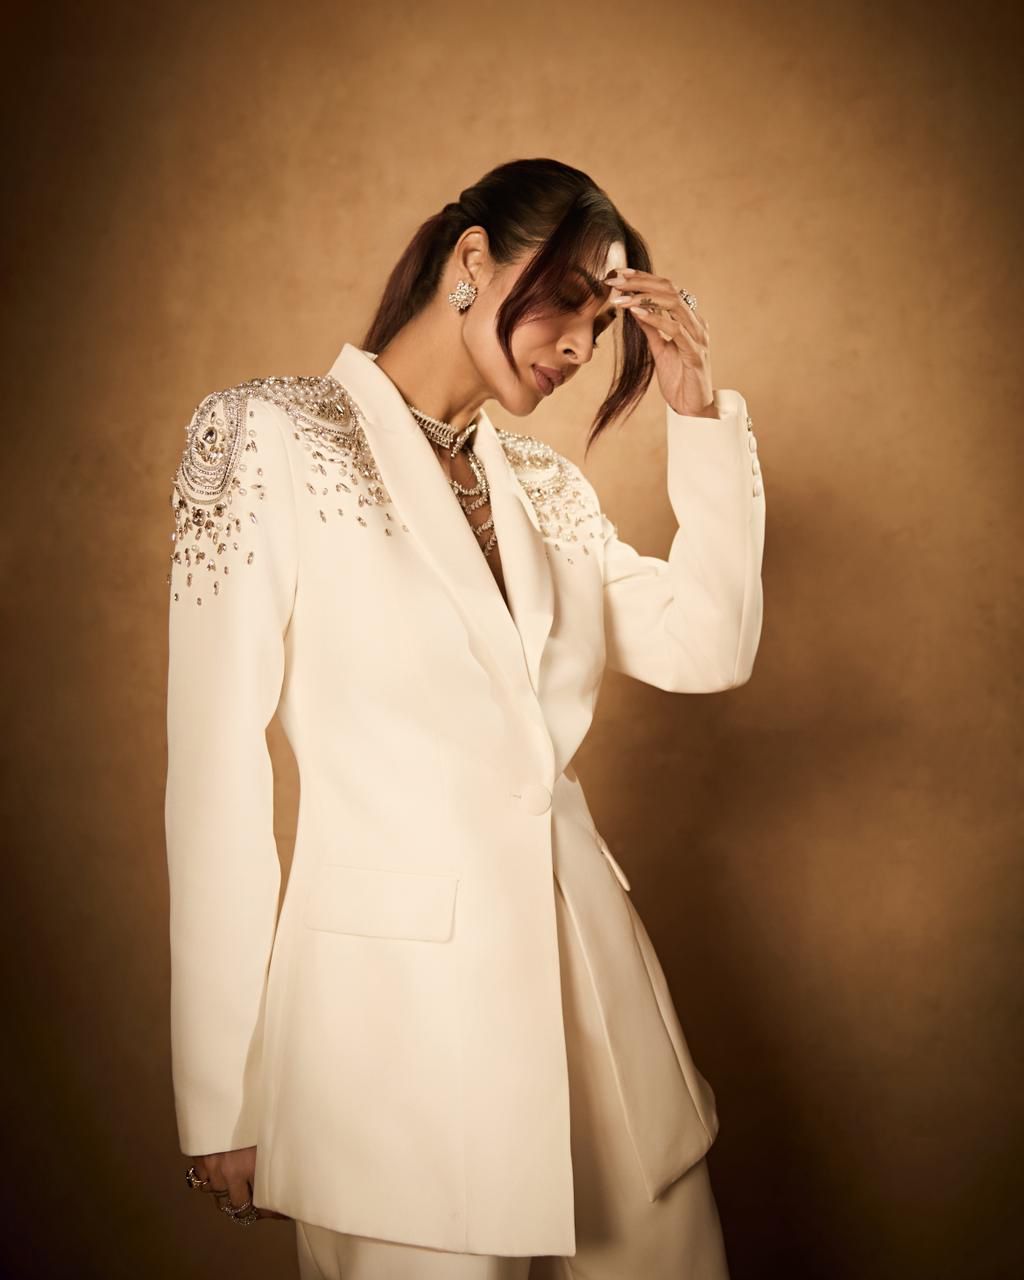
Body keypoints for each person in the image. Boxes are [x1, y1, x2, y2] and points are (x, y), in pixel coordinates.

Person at [166, 156, 766, 1279]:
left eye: (601, 323)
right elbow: (215, 778)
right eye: (567, 302)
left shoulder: (545, 485)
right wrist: (222, 1089)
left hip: (601, 1027)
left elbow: (709, 644)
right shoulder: (265, 438)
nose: (580, 347)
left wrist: (698, 417)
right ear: (474, 257)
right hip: (394, 1046)